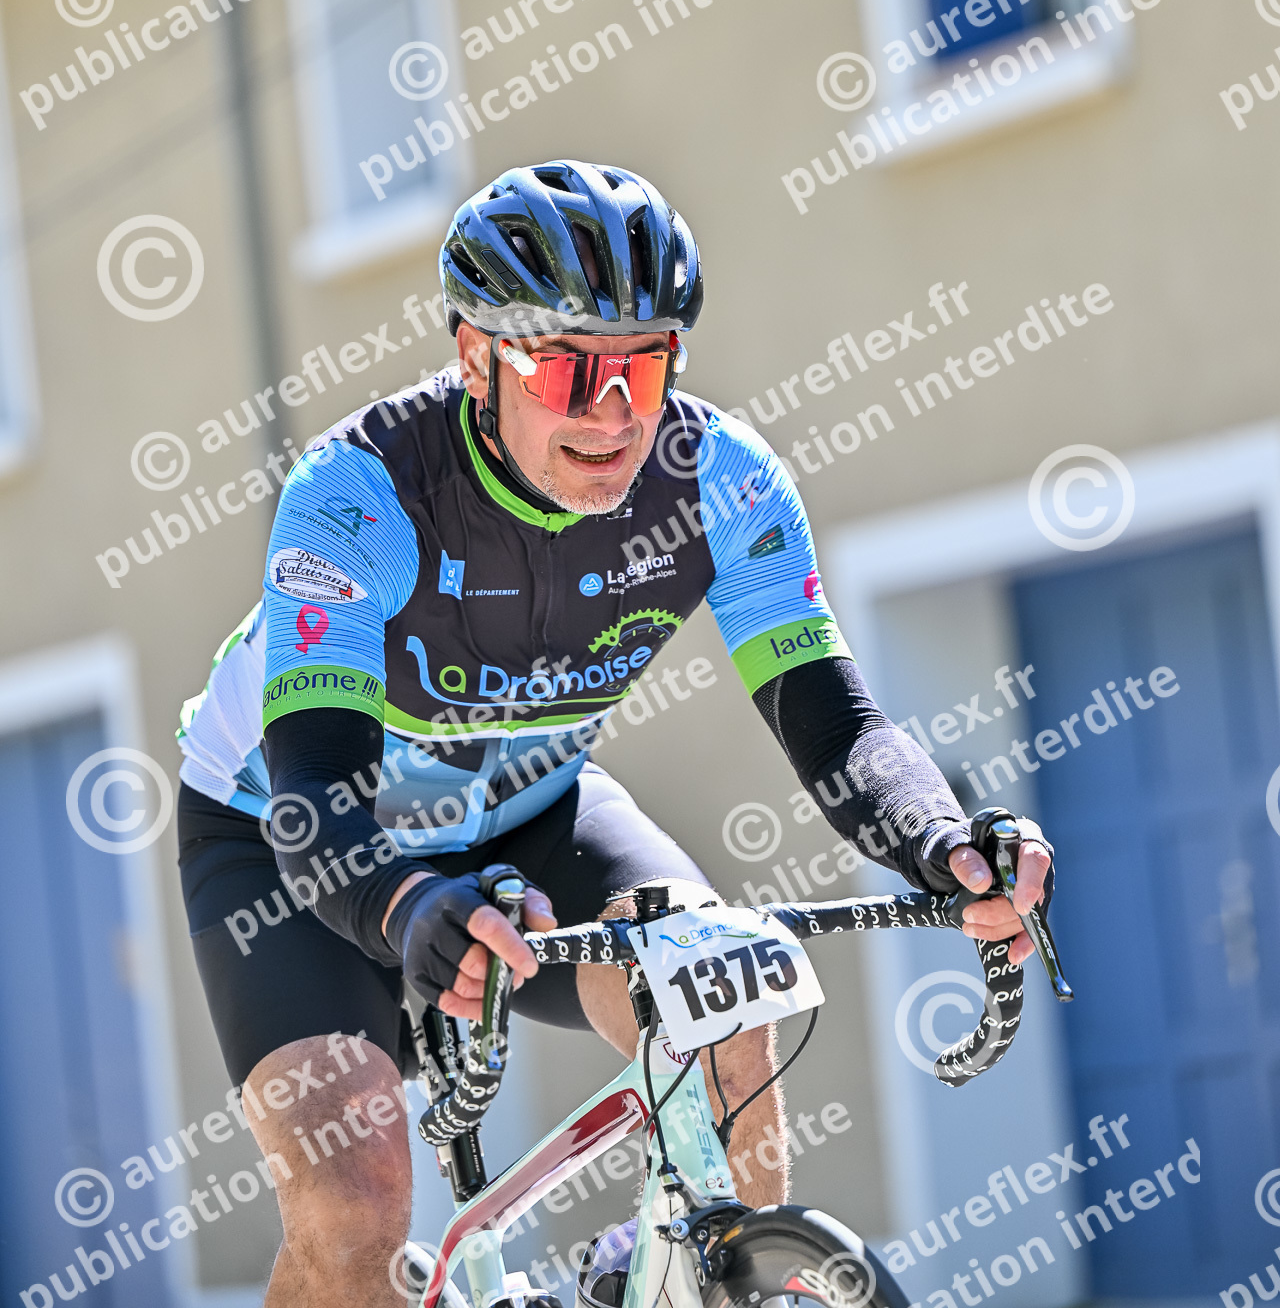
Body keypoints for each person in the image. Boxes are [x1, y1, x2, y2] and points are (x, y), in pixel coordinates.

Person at [176, 159, 1052, 1308]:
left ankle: (689, 1272)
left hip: (534, 814)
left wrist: (940, 842)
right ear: (475, 356)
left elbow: (834, 725)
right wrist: (405, 905)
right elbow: (314, 794)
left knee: (726, 1011)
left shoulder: (719, 481)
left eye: (642, 366)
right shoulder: (360, 494)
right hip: (289, 844)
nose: (611, 412)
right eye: (564, 369)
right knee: (354, 1205)